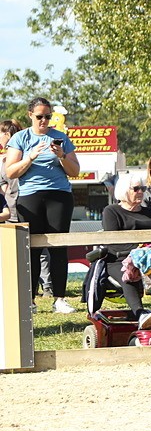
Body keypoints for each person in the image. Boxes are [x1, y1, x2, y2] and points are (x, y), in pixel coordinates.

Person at [4, 97, 79, 312]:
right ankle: (31, 300)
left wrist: (62, 156)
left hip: (59, 195)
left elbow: (74, 171)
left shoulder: (60, 137)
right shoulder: (21, 138)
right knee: (32, 248)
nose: (44, 121)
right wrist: (30, 157)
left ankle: (60, 299)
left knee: (58, 247)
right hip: (30, 196)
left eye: (48, 116)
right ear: (30, 116)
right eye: (39, 117)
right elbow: (10, 171)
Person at [101, 172, 151, 329]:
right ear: (124, 190)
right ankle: (140, 313)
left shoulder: (149, 213)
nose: (141, 192)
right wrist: (138, 251)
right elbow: (113, 243)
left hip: (149, 257)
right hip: (119, 259)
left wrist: (147, 252)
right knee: (127, 275)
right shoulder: (112, 211)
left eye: (143, 188)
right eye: (136, 189)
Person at [0, 119, 23, 221]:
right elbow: (3, 186)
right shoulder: (4, 160)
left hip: (27, 209)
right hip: (10, 214)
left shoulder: (26, 156)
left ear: (8, 135)